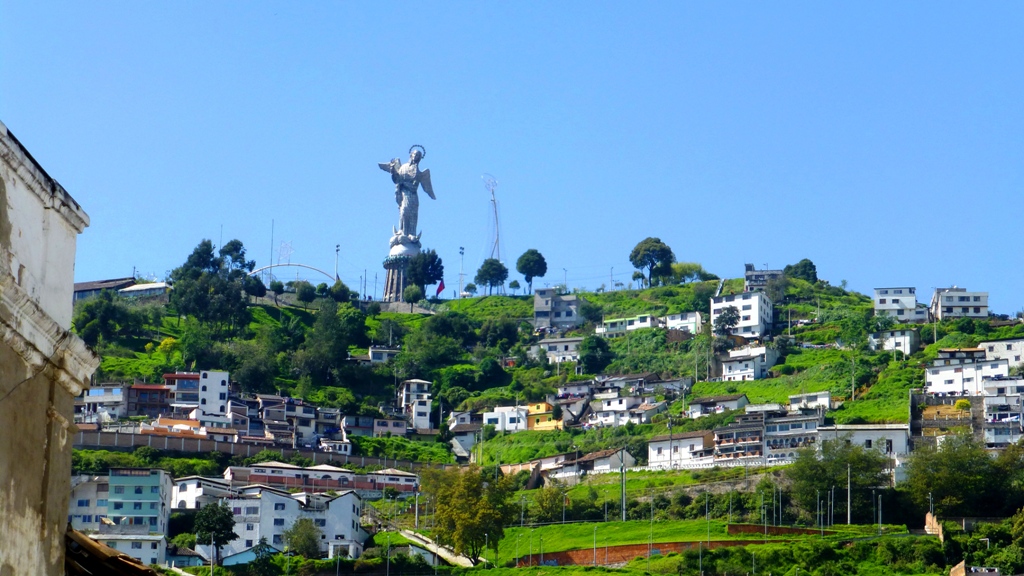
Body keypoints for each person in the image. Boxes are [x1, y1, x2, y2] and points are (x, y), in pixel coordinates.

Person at [379, 145, 435, 243]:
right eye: (415, 154)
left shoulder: (418, 172)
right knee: (403, 212)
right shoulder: (403, 167)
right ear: (411, 155)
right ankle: (402, 231)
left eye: (418, 156)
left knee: (412, 215)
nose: (416, 157)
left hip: (413, 196)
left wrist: (403, 183)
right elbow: (396, 179)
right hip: (403, 194)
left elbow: (414, 187)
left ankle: (411, 233)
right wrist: (392, 170)